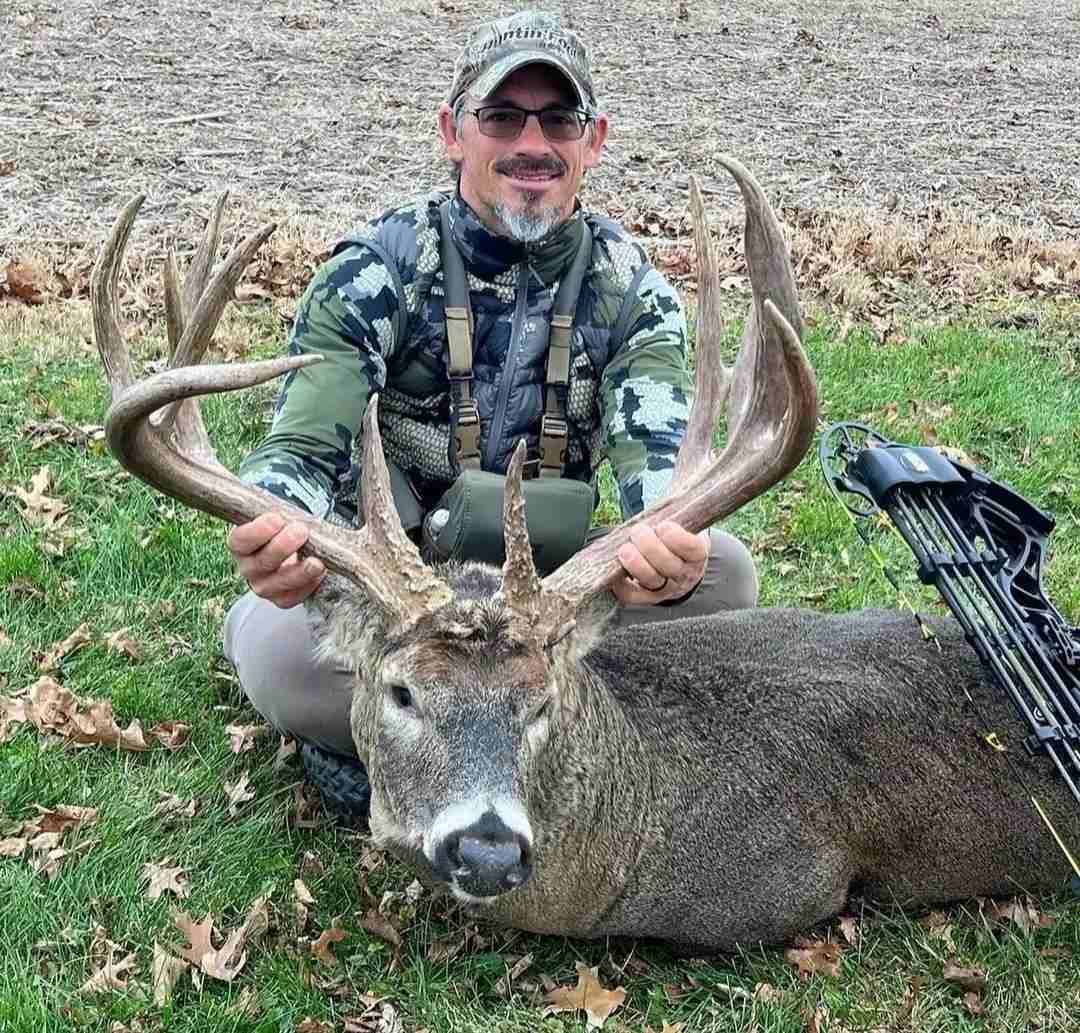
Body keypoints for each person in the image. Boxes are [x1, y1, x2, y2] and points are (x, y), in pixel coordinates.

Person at [223, 10, 758, 816]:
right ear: (454, 132)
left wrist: (670, 542)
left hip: (537, 597)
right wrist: (278, 531)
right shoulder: (379, 268)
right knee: (279, 659)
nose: (532, 143)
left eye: (559, 119)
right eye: (502, 116)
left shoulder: (630, 290)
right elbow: (298, 449)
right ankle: (478, 727)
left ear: (593, 139)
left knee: (725, 580)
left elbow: (664, 461)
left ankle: (453, 723)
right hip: (396, 593)